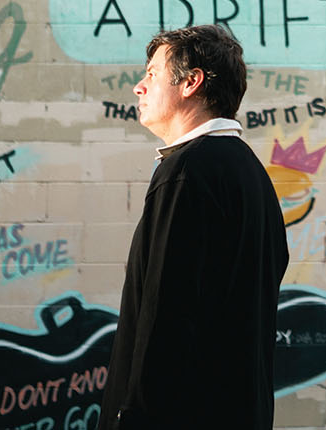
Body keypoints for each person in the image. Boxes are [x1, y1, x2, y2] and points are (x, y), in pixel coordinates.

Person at [98, 24, 289, 429]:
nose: (138, 87)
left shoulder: (187, 171)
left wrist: (135, 418)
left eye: (151, 74)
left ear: (191, 82)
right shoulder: (250, 173)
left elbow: (165, 315)